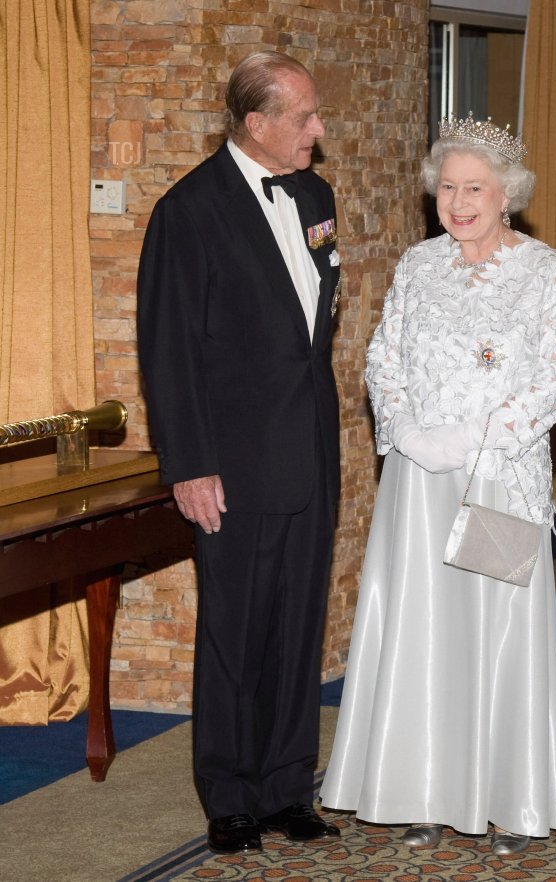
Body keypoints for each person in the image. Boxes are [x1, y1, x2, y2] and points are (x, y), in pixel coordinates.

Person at [319, 116, 556, 856]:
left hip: (499, 478)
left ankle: (508, 801)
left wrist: (477, 439)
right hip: (419, 481)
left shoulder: (545, 270)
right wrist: (405, 431)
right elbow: (382, 358)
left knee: (495, 634)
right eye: (448, 188)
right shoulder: (419, 264)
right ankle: (422, 792)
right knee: (423, 634)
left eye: (475, 189)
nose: (458, 202)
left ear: (508, 196)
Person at [137, 51, 342, 853]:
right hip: (230, 462)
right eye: (305, 118)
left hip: (310, 451)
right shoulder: (188, 211)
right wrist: (188, 464)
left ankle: (289, 787)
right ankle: (228, 797)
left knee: (298, 627)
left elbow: (309, 332)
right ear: (255, 125)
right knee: (235, 632)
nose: (318, 131)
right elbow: (169, 351)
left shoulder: (317, 195)